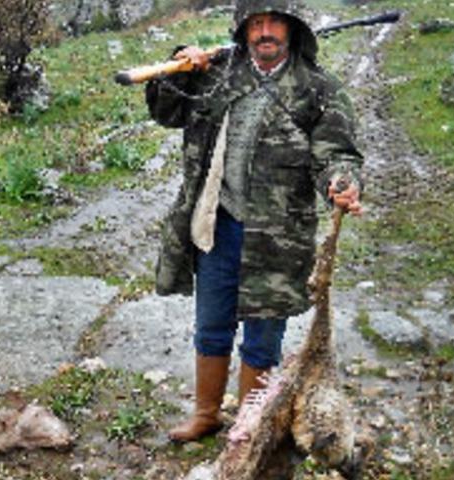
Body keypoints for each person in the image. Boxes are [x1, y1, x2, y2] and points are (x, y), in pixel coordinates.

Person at [145, 0, 364, 442]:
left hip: (277, 237)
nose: (265, 32)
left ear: (292, 29)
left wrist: (341, 182)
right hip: (218, 226)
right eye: (256, 23)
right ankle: (206, 414)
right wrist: (179, 66)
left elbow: (336, 154)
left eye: (274, 23)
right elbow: (166, 112)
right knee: (210, 325)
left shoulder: (318, 89)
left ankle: (247, 429)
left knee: (263, 338)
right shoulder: (218, 73)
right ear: (244, 30)